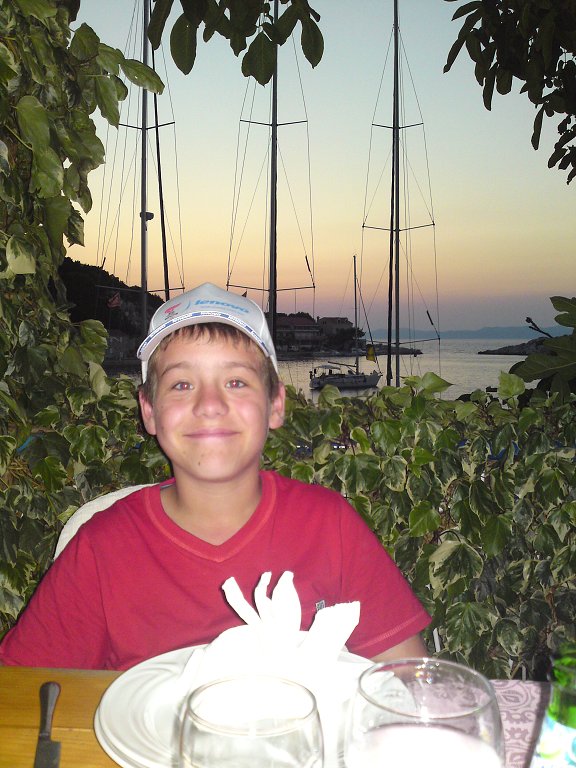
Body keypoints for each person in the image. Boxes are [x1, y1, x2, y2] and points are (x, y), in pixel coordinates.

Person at [0, 283, 430, 669]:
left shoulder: (329, 525)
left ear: (276, 405)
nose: (209, 404)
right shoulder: (101, 549)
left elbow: (407, 680)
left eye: (236, 382)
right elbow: (23, 691)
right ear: (149, 411)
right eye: (182, 385)